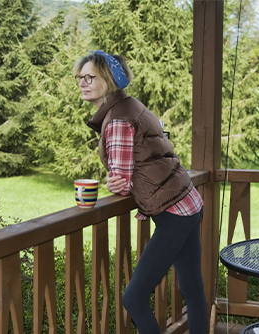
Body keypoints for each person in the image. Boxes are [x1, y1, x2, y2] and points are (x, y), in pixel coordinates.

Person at [74, 50, 207, 334]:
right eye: (79, 78)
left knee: (133, 298)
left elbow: (121, 180)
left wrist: (113, 182)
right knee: (193, 289)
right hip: (189, 202)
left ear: (109, 80)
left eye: (89, 77)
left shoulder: (119, 119)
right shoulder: (130, 105)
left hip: (173, 212)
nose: (82, 83)